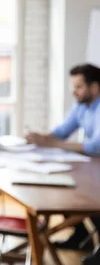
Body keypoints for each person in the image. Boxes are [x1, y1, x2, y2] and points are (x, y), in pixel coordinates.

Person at [26, 64, 100, 254]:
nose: (74, 92)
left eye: (78, 87)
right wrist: (42, 139)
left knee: (87, 194)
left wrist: (51, 144)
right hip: (94, 166)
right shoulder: (82, 106)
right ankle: (81, 235)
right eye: (73, 87)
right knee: (65, 183)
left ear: (95, 87)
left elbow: (95, 146)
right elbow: (62, 132)